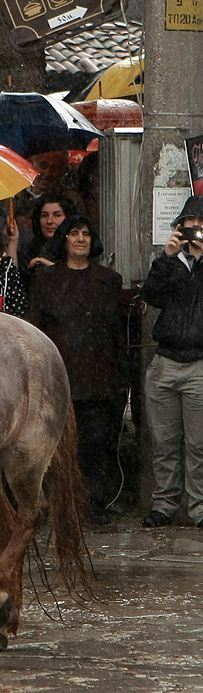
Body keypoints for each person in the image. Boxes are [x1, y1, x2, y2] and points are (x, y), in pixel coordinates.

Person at [26, 215, 127, 523]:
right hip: (58, 376)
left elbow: (117, 334)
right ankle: (55, 504)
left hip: (97, 376)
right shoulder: (46, 281)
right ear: (65, 239)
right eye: (74, 233)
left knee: (94, 445)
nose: (81, 238)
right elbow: (34, 328)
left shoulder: (109, 280)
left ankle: (93, 502)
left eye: (86, 233)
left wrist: (120, 379)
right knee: (53, 448)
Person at [141, 195, 203, 528]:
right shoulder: (170, 263)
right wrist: (167, 257)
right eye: (190, 225)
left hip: (199, 365)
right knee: (163, 442)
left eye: (201, 225)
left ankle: (200, 508)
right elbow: (151, 295)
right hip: (165, 361)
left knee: (199, 445)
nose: (196, 232)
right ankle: (163, 505)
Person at [18, 193, 75, 274]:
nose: (49, 221)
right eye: (44, 215)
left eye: (57, 215)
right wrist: (13, 241)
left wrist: (51, 267)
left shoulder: (77, 248)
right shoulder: (29, 249)